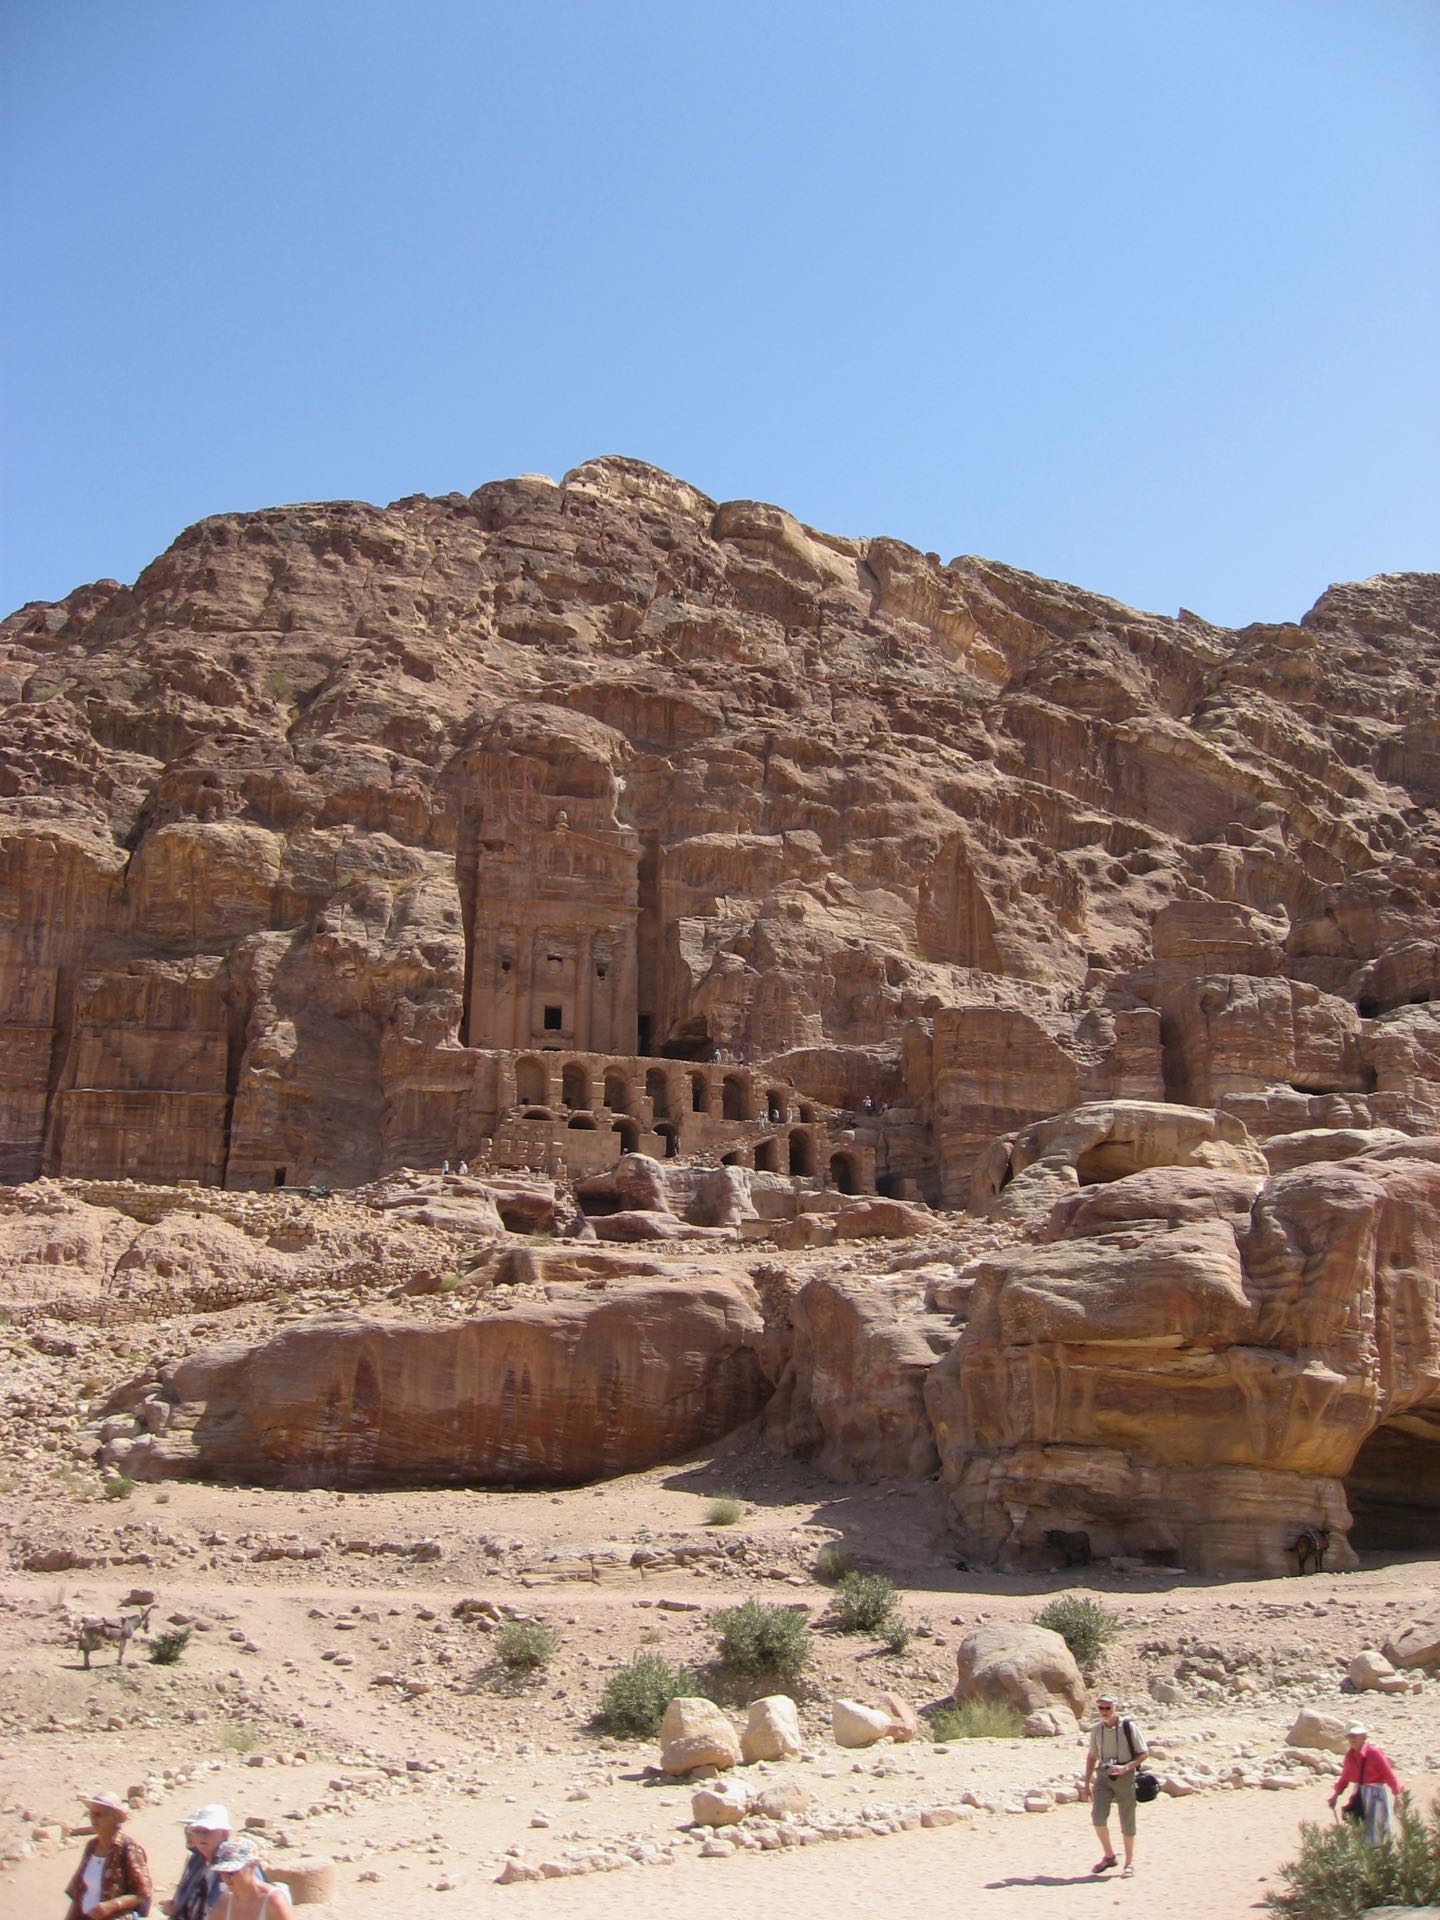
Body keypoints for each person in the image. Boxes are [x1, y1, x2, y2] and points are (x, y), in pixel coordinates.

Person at [1083, 1693, 1149, 1878]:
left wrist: (1125, 1767)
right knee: (1098, 1818)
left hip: (1125, 1776)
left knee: (1127, 1820)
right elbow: (1091, 1756)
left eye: (1108, 1708)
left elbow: (1144, 1753)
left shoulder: (1128, 1727)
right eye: (1101, 1708)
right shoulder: (1096, 1730)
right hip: (1103, 1776)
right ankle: (1109, 1856)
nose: (1104, 1711)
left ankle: (1129, 1863)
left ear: (1115, 1708)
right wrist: (1086, 1783)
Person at [64, 1792, 152, 1920]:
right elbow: (78, 1892)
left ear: (114, 1817)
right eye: (91, 1814)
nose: (93, 1819)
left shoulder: (127, 1847)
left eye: (98, 1814)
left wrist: (111, 1905)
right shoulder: (91, 1847)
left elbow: (142, 1893)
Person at [1329, 1723, 1400, 1844]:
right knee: (1361, 1830)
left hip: (1376, 1795)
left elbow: (1389, 1775)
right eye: (1349, 1736)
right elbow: (1345, 1778)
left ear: (1364, 1737)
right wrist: (1335, 1795)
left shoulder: (1374, 1753)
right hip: (1359, 1794)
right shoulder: (1349, 1756)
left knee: (1378, 1830)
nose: (1352, 1738)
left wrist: (1397, 1796)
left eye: (1355, 1735)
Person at [162, 1803, 230, 1919]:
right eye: (197, 1831)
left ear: (224, 1834)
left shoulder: (230, 1865)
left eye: (207, 1831)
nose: (202, 1836)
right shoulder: (197, 1859)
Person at [209, 1839, 293, 1919]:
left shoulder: (274, 1901)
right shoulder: (225, 1901)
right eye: (222, 1872)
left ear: (252, 1866)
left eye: (231, 1872)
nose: (225, 1877)